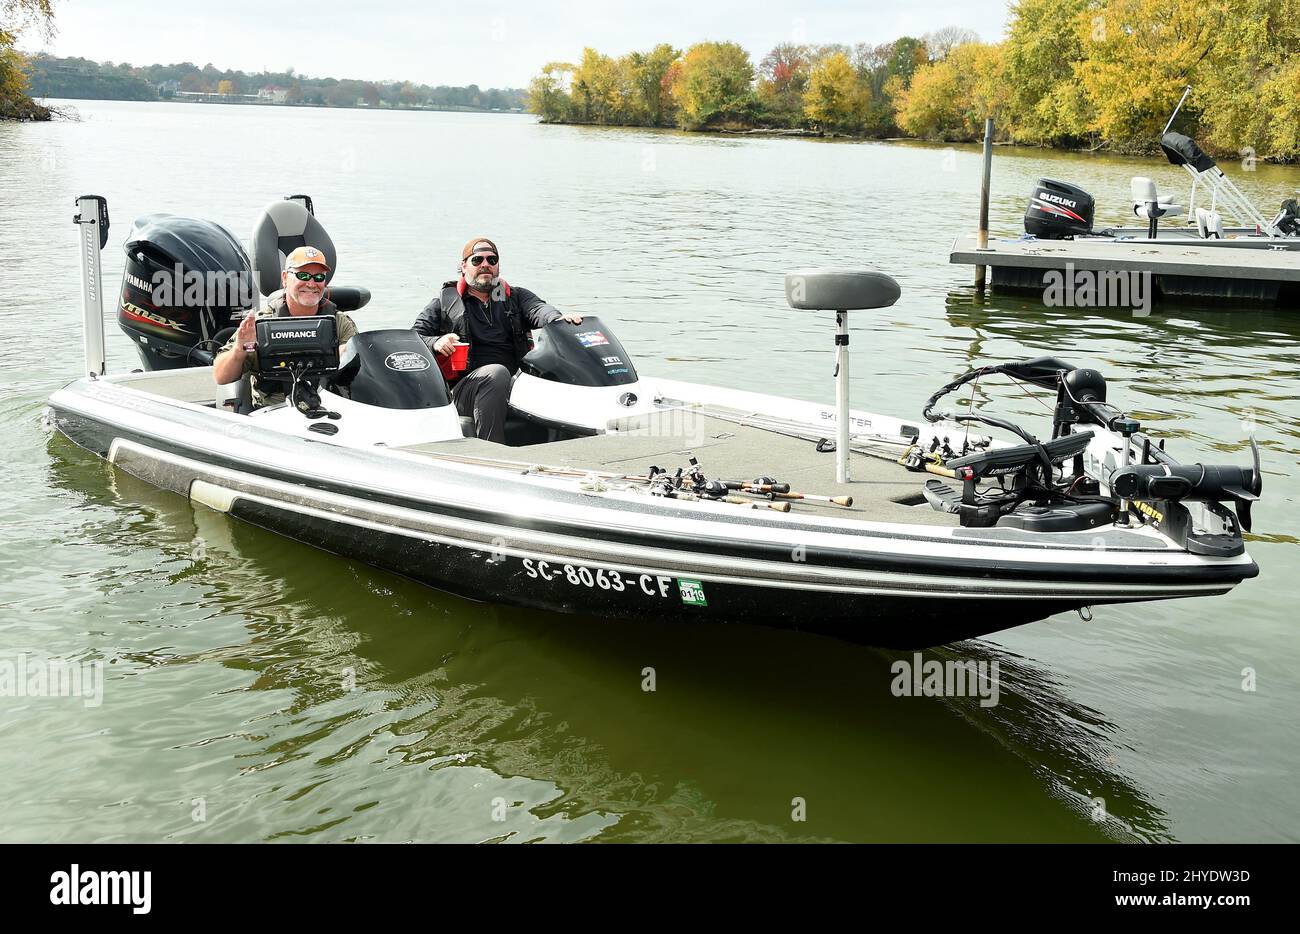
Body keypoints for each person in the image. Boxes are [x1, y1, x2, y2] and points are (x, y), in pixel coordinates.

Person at [413, 237, 581, 443]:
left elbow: (539, 309)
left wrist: (559, 320)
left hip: (515, 383)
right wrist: (436, 342)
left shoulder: (516, 297)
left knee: (557, 370)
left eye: (492, 260)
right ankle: (491, 449)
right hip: (465, 390)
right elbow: (413, 338)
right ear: (464, 266)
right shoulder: (443, 303)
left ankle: (577, 443)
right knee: (496, 373)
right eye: (477, 260)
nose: (485, 265)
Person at [213, 246, 358, 407]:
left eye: (318, 277)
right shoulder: (260, 324)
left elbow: (360, 365)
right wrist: (239, 349)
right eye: (303, 275)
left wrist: (344, 352)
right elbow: (221, 377)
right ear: (285, 278)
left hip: (328, 408)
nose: (311, 284)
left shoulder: (340, 323)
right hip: (274, 411)